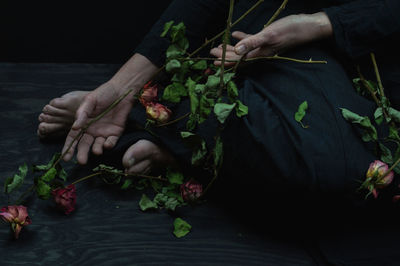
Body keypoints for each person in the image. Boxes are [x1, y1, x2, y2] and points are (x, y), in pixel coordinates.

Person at [37, 0, 400, 205]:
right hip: (287, 26)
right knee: (332, 165)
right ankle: (145, 111)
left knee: (352, 170)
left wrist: (322, 23)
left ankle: (158, 126)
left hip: (356, 37)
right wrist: (122, 84)